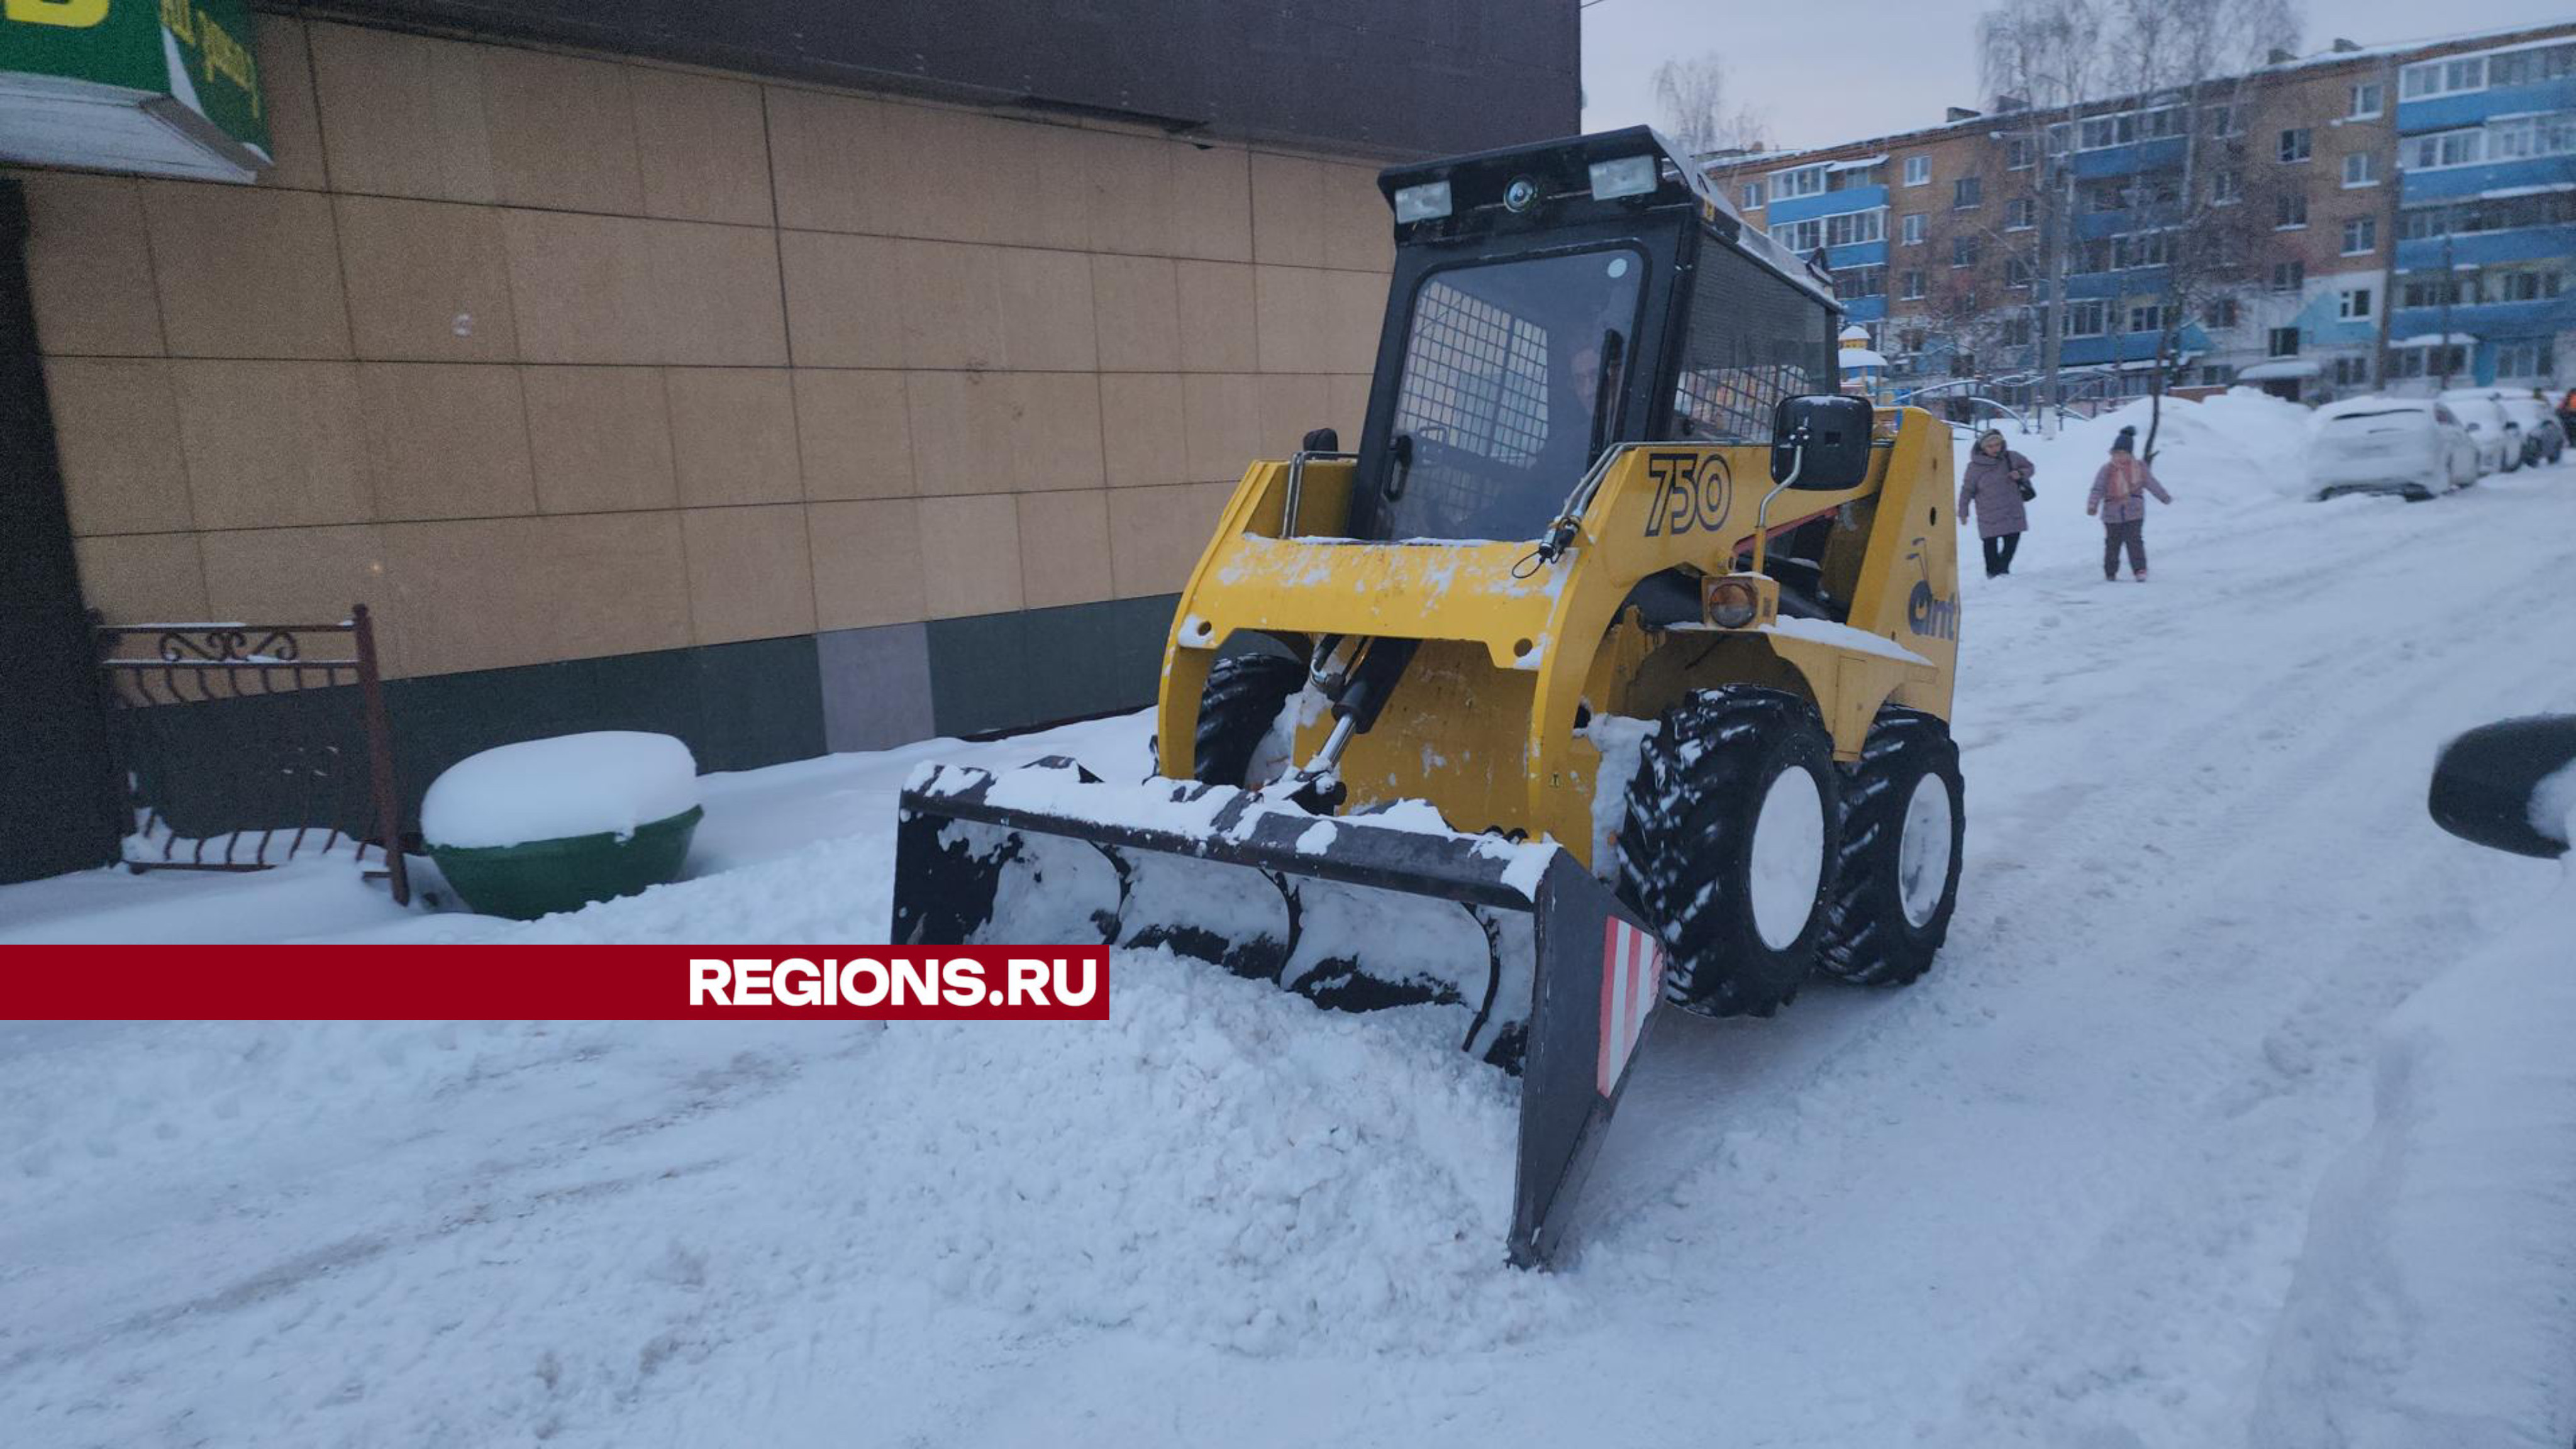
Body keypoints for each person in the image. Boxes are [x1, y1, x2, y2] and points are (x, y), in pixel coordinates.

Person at [2087, 426, 2172, 582]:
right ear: (2112, 453)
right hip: (2111, 513)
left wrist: (2163, 496)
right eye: (2117, 453)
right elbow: (2097, 488)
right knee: (2113, 544)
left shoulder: (2139, 468)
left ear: (2130, 454)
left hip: (2134, 511)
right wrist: (2092, 505)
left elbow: (2152, 483)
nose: (2120, 457)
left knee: (2135, 542)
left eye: (2124, 453)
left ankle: (2140, 569)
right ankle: (2110, 571)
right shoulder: (2107, 470)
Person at [1957, 429, 2035, 577]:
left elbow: (2030, 467)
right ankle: (1992, 574)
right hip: (1988, 513)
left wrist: (2021, 474)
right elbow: (1967, 490)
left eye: (1997, 444)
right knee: (1990, 544)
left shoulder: (2012, 457)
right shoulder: (1974, 467)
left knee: (2012, 541)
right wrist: (1963, 511)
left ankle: (2003, 570)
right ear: (1982, 448)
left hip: (2013, 509)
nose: (1995, 449)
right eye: (1990, 446)